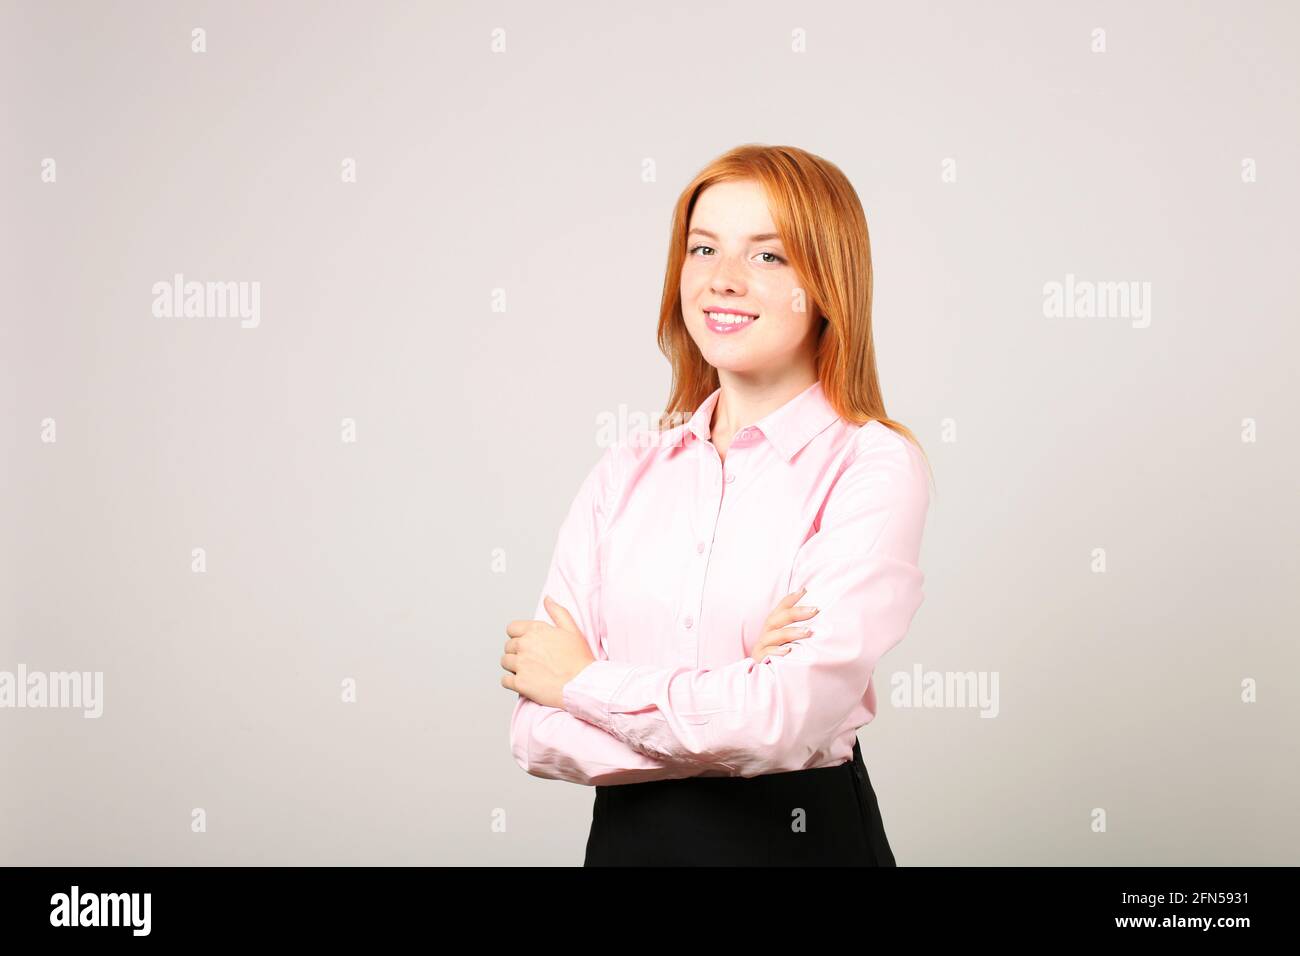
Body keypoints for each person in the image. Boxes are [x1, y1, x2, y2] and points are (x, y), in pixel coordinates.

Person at [501, 143, 934, 866]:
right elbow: (534, 732)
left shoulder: (873, 464)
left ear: (827, 283)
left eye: (768, 256)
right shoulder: (625, 470)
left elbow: (782, 722)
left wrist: (581, 681)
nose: (723, 281)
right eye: (703, 249)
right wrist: (734, 701)